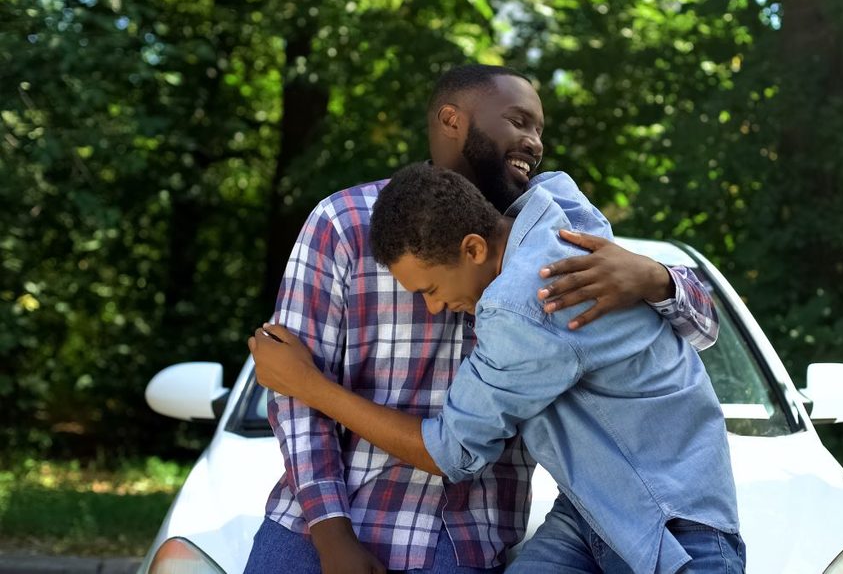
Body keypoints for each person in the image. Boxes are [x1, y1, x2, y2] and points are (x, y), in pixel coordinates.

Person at [245, 64, 722, 574]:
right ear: (452, 120)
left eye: (539, 129)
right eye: (519, 121)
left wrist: (655, 278)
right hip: (319, 529)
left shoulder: (560, 227)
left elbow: (700, 331)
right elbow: (289, 385)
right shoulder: (343, 223)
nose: (534, 141)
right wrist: (330, 533)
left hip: (465, 535)